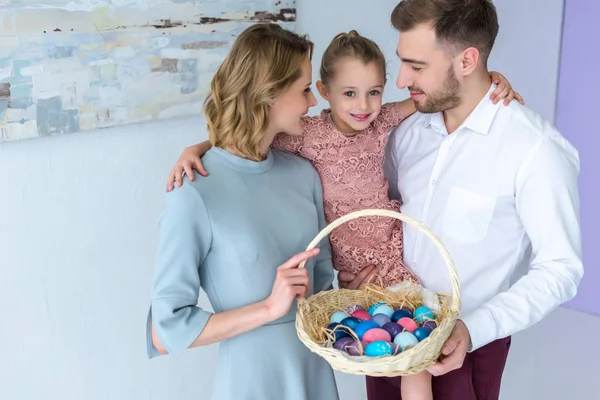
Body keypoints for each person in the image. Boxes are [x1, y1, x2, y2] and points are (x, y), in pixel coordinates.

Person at [166, 28, 521, 400]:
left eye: (374, 92)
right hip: (350, 273)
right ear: (323, 91)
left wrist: (485, 82)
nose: (363, 105)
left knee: (417, 355)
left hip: (391, 255)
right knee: (402, 351)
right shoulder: (305, 134)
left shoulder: (380, 122)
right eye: (348, 93)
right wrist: (200, 147)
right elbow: (246, 133)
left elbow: (430, 97)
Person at [338, 1, 583, 399]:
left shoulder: (537, 150)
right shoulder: (406, 134)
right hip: (387, 338)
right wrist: (359, 269)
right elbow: (386, 217)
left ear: (467, 60)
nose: (401, 80)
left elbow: (560, 270)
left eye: (416, 67)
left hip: (465, 351)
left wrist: (474, 329)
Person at [145, 23, 340, 400]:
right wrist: (269, 308)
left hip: (316, 376)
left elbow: (322, 291)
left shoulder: (303, 175)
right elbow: (165, 331)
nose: (312, 102)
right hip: (252, 385)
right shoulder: (194, 193)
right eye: (303, 90)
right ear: (269, 95)